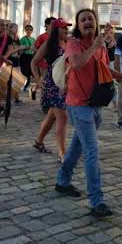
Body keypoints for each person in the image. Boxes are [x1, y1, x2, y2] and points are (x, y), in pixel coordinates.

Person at [55, 9, 122, 218]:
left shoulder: (99, 46)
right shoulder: (74, 44)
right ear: (78, 25)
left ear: (96, 22)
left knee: (77, 145)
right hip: (78, 104)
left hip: (96, 103)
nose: (87, 22)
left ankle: (62, 181)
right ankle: (96, 201)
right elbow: (78, 63)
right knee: (91, 150)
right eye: (83, 20)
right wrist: (95, 45)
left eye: (90, 19)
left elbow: (104, 69)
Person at [31, 18, 71, 162]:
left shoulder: (68, 43)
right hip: (52, 84)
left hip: (64, 84)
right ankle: (63, 153)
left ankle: (38, 141)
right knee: (62, 117)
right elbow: (34, 62)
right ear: (56, 29)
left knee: (52, 116)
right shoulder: (49, 44)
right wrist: (38, 80)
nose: (66, 30)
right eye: (63, 27)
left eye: (67, 27)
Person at [19, 24, 36, 90]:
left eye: (30, 29)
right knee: (24, 71)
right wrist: (28, 48)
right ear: (25, 30)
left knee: (30, 71)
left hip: (30, 56)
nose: (29, 31)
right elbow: (19, 48)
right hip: (24, 56)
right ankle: (24, 83)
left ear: (32, 31)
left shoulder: (33, 39)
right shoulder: (23, 39)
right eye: (27, 29)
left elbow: (35, 47)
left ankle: (27, 85)